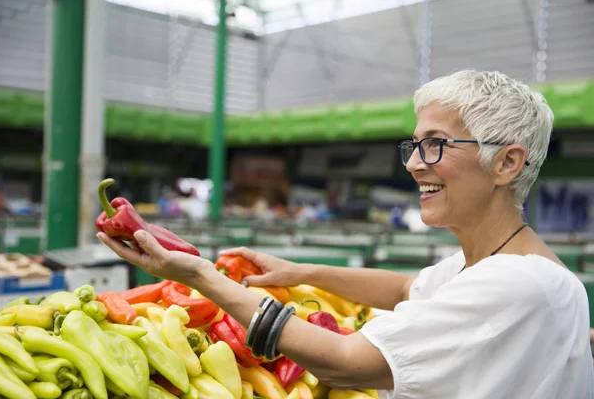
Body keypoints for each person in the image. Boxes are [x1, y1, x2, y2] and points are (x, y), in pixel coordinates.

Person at [97, 70, 594, 398]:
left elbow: (344, 363)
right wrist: (299, 271)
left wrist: (204, 277)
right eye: (414, 145)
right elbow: (404, 289)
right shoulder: (494, 265)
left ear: (507, 162)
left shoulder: (516, 283)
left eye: (437, 145)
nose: (416, 164)